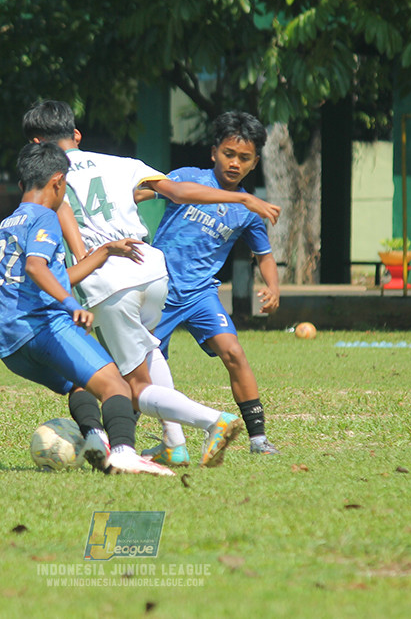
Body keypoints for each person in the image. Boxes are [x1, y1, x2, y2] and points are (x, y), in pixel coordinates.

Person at [23, 100, 281, 468]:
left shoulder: (52, 177)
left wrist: (81, 260)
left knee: (130, 385)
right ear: (76, 135)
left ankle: (214, 422)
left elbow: (63, 215)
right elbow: (175, 191)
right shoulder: (122, 164)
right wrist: (240, 196)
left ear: (37, 144)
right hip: (152, 271)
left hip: (111, 282)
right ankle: (174, 445)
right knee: (150, 352)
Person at [0, 141, 173, 476]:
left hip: (9, 342)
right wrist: (70, 303)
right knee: (116, 385)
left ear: (22, 184)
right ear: (59, 183)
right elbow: (36, 267)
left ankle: (93, 437)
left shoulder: (10, 221)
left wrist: (104, 252)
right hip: (43, 327)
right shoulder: (45, 217)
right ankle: (123, 453)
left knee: (81, 383)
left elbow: (52, 273)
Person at [150, 111, 281, 458]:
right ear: (213, 153)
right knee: (146, 370)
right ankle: (164, 441)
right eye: (228, 154)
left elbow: (264, 256)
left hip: (200, 295)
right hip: (158, 291)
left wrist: (273, 287)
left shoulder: (249, 211)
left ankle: (258, 440)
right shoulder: (188, 178)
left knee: (234, 353)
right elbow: (156, 193)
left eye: (244, 158)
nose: (235, 163)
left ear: (254, 163)